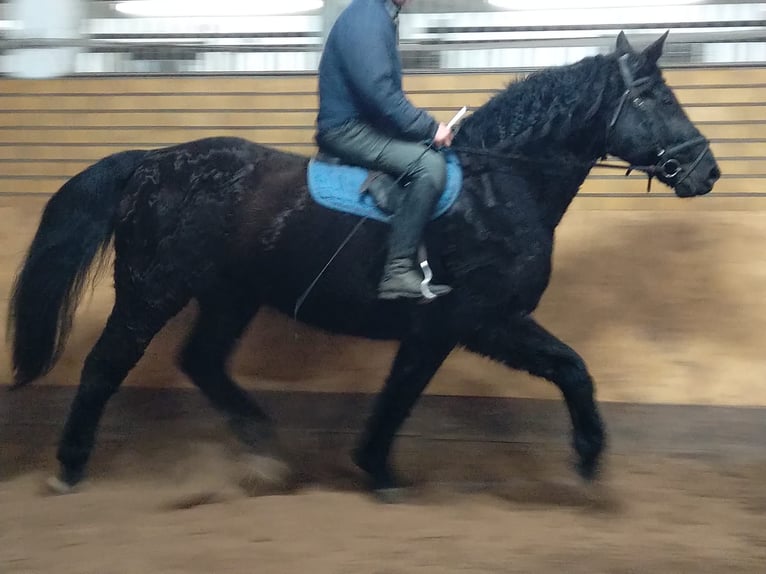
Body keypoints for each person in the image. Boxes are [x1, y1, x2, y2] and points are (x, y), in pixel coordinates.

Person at [315, 0, 454, 301]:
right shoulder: (367, 18)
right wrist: (430, 129)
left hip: (366, 126)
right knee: (429, 168)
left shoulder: (378, 15)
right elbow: (381, 94)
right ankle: (398, 270)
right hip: (347, 130)